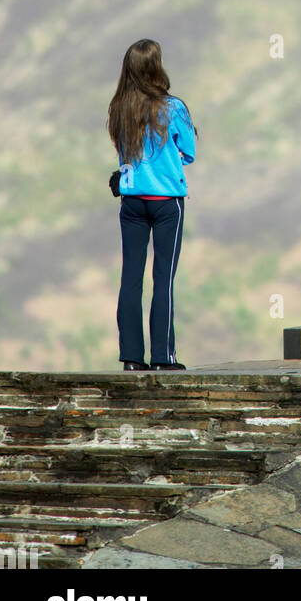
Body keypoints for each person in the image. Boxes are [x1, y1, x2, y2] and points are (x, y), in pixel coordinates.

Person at [107, 39, 196, 370]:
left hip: (131, 202)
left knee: (130, 278)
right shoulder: (173, 108)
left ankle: (131, 357)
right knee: (164, 278)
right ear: (156, 66)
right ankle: (163, 357)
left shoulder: (119, 107)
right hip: (166, 203)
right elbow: (189, 152)